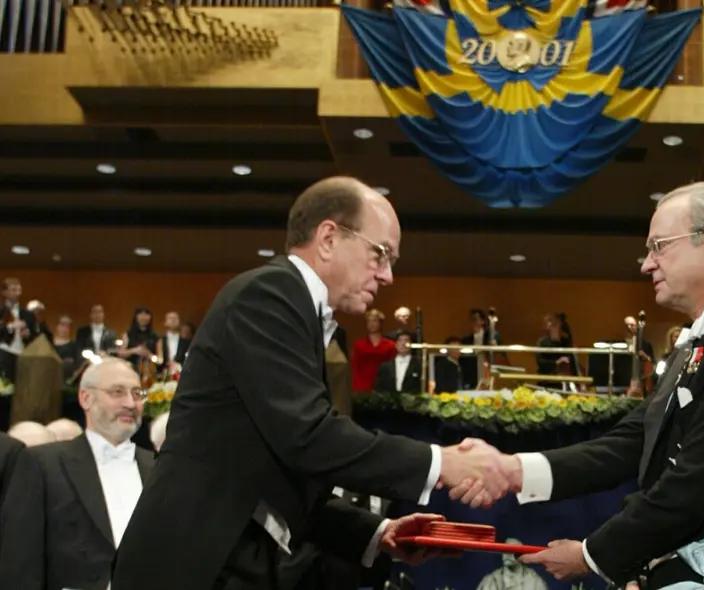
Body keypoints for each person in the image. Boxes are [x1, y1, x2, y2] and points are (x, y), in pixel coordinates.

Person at [111, 177, 510, 590]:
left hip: (223, 560)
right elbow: (309, 437)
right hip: (190, 564)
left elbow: (285, 476)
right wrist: (442, 463)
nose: (388, 275)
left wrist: (378, 533)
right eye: (380, 254)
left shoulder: (298, 309)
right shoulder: (270, 292)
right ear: (328, 238)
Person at [456, 182, 704, 590]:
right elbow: (629, 443)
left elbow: (694, 485)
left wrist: (591, 555)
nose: (647, 264)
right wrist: (514, 470)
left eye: (660, 246)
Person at [0, 358, 156, 590]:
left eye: (137, 394)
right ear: (85, 398)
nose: (131, 403)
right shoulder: (42, 463)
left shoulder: (158, 468)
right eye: (117, 392)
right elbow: (20, 560)